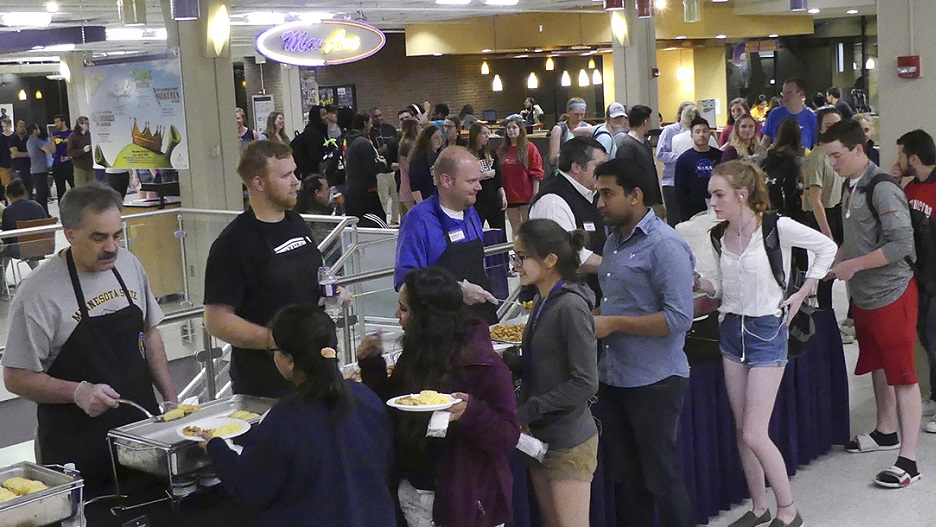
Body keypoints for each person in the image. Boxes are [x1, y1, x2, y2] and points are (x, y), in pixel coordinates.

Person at [1, 184, 177, 495]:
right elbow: (15, 378)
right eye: (99, 237)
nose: (111, 247)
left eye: (116, 235)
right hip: (77, 449)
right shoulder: (38, 294)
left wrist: (170, 399)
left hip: (141, 437)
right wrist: (79, 392)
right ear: (69, 233)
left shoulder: (128, 264)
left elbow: (149, 334)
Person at [696, 160, 835, 527]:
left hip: (768, 333)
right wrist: (701, 283)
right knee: (744, 430)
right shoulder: (717, 236)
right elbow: (723, 289)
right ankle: (760, 507)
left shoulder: (776, 227)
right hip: (731, 332)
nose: (712, 201)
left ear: (742, 194)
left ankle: (788, 510)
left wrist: (804, 290)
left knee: (756, 432)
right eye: (711, 194)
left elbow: (827, 248)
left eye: (719, 194)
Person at [202, 305, 396, 527]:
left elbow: (250, 488)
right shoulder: (366, 398)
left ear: (290, 360)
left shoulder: (282, 421)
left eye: (274, 350)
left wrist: (216, 448)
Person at [356, 266, 520, 527]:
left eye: (405, 309)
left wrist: (471, 412)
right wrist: (372, 366)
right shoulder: (416, 353)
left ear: (427, 317)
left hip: (468, 504)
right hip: (413, 493)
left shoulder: (484, 365)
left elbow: (508, 437)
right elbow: (393, 409)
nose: (397, 315)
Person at [591, 157, 695, 527]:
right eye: (597, 193)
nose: (600, 202)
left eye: (607, 194)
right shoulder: (613, 241)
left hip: (655, 382)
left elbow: (679, 318)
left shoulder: (665, 246)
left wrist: (614, 323)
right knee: (625, 478)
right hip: (613, 378)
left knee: (660, 477)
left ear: (635, 195)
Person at [204, 140, 348, 398]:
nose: (296, 181)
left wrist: (334, 290)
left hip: (318, 371)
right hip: (266, 384)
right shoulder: (233, 243)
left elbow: (311, 275)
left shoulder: (296, 222)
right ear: (258, 183)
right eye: (285, 175)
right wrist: (276, 341)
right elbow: (216, 321)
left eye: (294, 172)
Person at [825, 119, 922, 489]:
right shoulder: (851, 186)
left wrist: (854, 265)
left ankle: (909, 461)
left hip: (891, 294)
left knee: (903, 375)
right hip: (864, 297)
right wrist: (834, 261)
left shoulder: (882, 188)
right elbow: (858, 239)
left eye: (837, 155)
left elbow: (901, 246)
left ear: (858, 150)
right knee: (879, 364)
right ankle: (886, 431)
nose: (832, 163)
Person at [511, 219, 598, 527]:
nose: (516, 264)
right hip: (539, 436)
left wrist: (532, 407)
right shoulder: (541, 300)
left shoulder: (570, 308)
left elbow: (586, 382)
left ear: (549, 261)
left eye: (522, 257)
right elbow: (545, 362)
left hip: (568, 439)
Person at [395, 146, 499, 323]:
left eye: (479, 180)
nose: (479, 187)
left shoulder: (471, 212)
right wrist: (458, 290)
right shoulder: (419, 220)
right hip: (441, 329)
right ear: (446, 181)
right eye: (471, 181)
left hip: (480, 322)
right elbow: (406, 284)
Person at [892, 130, 936, 433]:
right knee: (929, 343)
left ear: (914, 158)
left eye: (901, 154)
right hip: (921, 281)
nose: (898, 161)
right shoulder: (910, 188)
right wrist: (894, 184)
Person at [530, 137, 608, 300]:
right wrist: (615, 266)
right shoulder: (553, 202)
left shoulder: (591, 194)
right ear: (577, 167)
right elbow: (570, 255)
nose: (604, 172)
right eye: (599, 166)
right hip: (565, 301)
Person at [802, 108, 845, 315]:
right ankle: (825, 316)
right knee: (826, 272)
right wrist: (827, 234)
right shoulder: (817, 157)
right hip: (823, 216)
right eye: (828, 125)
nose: (833, 129)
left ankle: (851, 318)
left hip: (839, 211)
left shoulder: (839, 155)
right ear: (820, 128)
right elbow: (814, 199)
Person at [499, 115, 544, 235]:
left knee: (529, 229)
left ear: (520, 129)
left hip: (526, 195)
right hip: (510, 196)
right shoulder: (503, 150)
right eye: (508, 128)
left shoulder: (530, 148)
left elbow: (536, 173)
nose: (511, 130)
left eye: (514, 127)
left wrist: (535, 194)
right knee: (516, 229)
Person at [343, 112, 388, 228]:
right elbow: (370, 167)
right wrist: (382, 164)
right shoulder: (363, 143)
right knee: (379, 222)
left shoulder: (350, 141)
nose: (371, 126)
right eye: (370, 122)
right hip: (365, 193)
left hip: (353, 191)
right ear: (365, 123)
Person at [614, 104, 664, 207]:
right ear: (645, 122)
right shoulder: (627, 145)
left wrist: (659, 201)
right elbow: (624, 176)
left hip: (651, 199)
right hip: (636, 202)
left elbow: (652, 173)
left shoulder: (645, 143)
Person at [674, 116, 721, 223]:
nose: (701, 135)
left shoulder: (720, 156)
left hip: (717, 207)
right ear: (691, 135)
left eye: (705, 131)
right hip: (693, 211)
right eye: (697, 132)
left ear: (710, 134)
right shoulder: (684, 159)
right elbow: (680, 190)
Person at [657, 101, 697, 227]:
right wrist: (681, 157)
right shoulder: (670, 131)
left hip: (691, 182)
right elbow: (660, 154)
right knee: (674, 221)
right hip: (671, 182)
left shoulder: (698, 132)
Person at [761, 118, 806, 219]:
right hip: (789, 209)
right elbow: (805, 183)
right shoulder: (797, 158)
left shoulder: (767, 155)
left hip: (767, 205)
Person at [467, 122, 506, 230]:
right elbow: (466, 177)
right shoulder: (467, 155)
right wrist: (483, 175)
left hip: (492, 197)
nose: (487, 136)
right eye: (484, 133)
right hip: (477, 199)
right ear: (475, 135)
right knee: (476, 230)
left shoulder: (491, 153)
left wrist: (502, 193)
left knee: (500, 230)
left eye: (488, 133)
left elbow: (498, 175)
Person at [1, 179, 49, 264]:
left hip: (21, 249)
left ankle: (2, 275)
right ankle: (35, 270)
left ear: (10, 195)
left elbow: (6, 236)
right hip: (42, 246)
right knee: (28, 243)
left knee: (5, 248)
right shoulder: (37, 206)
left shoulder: (8, 211)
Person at [761, 78, 818, 150]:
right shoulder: (775, 114)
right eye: (783, 93)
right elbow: (766, 140)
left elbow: (816, 145)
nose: (785, 97)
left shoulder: (812, 118)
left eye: (789, 93)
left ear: (801, 95)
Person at [370, 106, 400, 225]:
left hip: (393, 169)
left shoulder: (390, 129)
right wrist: (379, 150)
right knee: (383, 200)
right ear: (371, 118)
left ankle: (395, 221)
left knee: (396, 198)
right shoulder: (371, 133)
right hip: (381, 172)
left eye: (380, 115)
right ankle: (384, 222)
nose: (379, 118)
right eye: (376, 116)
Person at [294, 174, 336, 245]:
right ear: (317, 193)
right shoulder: (315, 218)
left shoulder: (304, 207)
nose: (329, 191)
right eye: (326, 189)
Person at [408, 124, 443, 203]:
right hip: (427, 199)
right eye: (436, 138)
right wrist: (422, 206)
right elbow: (415, 187)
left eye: (441, 136)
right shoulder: (419, 160)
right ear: (428, 140)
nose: (440, 140)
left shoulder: (441, 156)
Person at [549, 98, 587, 168]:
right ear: (568, 112)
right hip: (564, 168)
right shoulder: (559, 129)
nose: (579, 118)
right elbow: (552, 158)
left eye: (582, 115)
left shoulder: (587, 128)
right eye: (576, 114)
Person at [290, 105, 327, 178]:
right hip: (311, 173)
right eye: (323, 115)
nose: (326, 117)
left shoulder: (321, 131)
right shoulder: (312, 133)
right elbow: (314, 154)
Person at [25, 123, 54, 214]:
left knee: (42, 192)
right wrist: (52, 141)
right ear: (34, 131)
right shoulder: (35, 140)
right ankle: (43, 214)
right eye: (38, 129)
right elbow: (48, 150)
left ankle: (44, 213)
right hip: (39, 170)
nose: (40, 131)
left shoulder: (30, 141)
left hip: (37, 169)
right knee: (41, 194)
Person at [397, 118, 420, 216]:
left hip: (405, 189)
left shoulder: (403, 143)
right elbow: (410, 168)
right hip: (410, 190)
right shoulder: (411, 145)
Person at [51, 114, 74, 203]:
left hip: (69, 163)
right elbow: (53, 151)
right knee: (60, 189)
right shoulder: (54, 135)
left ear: (63, 122)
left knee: (73, 185)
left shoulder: (71, 134)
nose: (56, 124)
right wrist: (52, 141)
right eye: (55, 122)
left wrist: (69, 157)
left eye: (57, 122)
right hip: (58, 164)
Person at [67, 116, 94, 186]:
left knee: (92, 189)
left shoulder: (90, 135)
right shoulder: (73, 136)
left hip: (91, 166)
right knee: (81, 189)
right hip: (79, 166)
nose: (88, 125)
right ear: (80, 124)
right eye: (86, 124)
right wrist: (83, 150)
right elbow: (70, 152)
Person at [9, 120, 31, 194]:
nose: (22, 128)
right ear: (16, 128)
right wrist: (29, 154)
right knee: (19, 190)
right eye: (20, 126)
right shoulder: (12, 139)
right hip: (17, 168)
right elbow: (15, 153)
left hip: (29, 167)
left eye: (24, 126)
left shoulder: (29, 138)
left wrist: (20, 154)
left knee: (29, 190)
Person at [0, 117, 13, 187]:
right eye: (3, 126)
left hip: (14, 163)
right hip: (3, 164)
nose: (5, 128)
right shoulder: (0, 137)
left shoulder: (15, 136)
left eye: (7, 126)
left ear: (10, 126)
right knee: (7, 185)